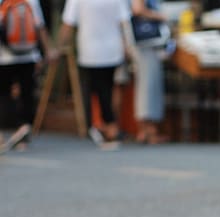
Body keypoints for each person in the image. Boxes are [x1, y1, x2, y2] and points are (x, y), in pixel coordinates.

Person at [57, 0, 133, 148]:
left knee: (98, 89)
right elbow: (124, 23)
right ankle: (107, 125)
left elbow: (68, 24)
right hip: (113, 49)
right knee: (108, 88)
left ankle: (107, 125)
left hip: (89, 51)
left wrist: (58, 47)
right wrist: (127, 46)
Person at [0, 0, 57, 153]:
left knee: (4, 93)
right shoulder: (32, 1)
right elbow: (40, 27)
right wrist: (48, 49)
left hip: (4, 56)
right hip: (29, 55)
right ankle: (23, 127)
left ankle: (4, 134)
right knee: (27, 92)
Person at [130, 0, 169, 144]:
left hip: (147, 44)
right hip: (145, 43)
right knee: (148, 85)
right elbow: (138, 9)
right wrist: (161, 16)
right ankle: (147, 130)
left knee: (148, 85)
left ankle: (147, 130)